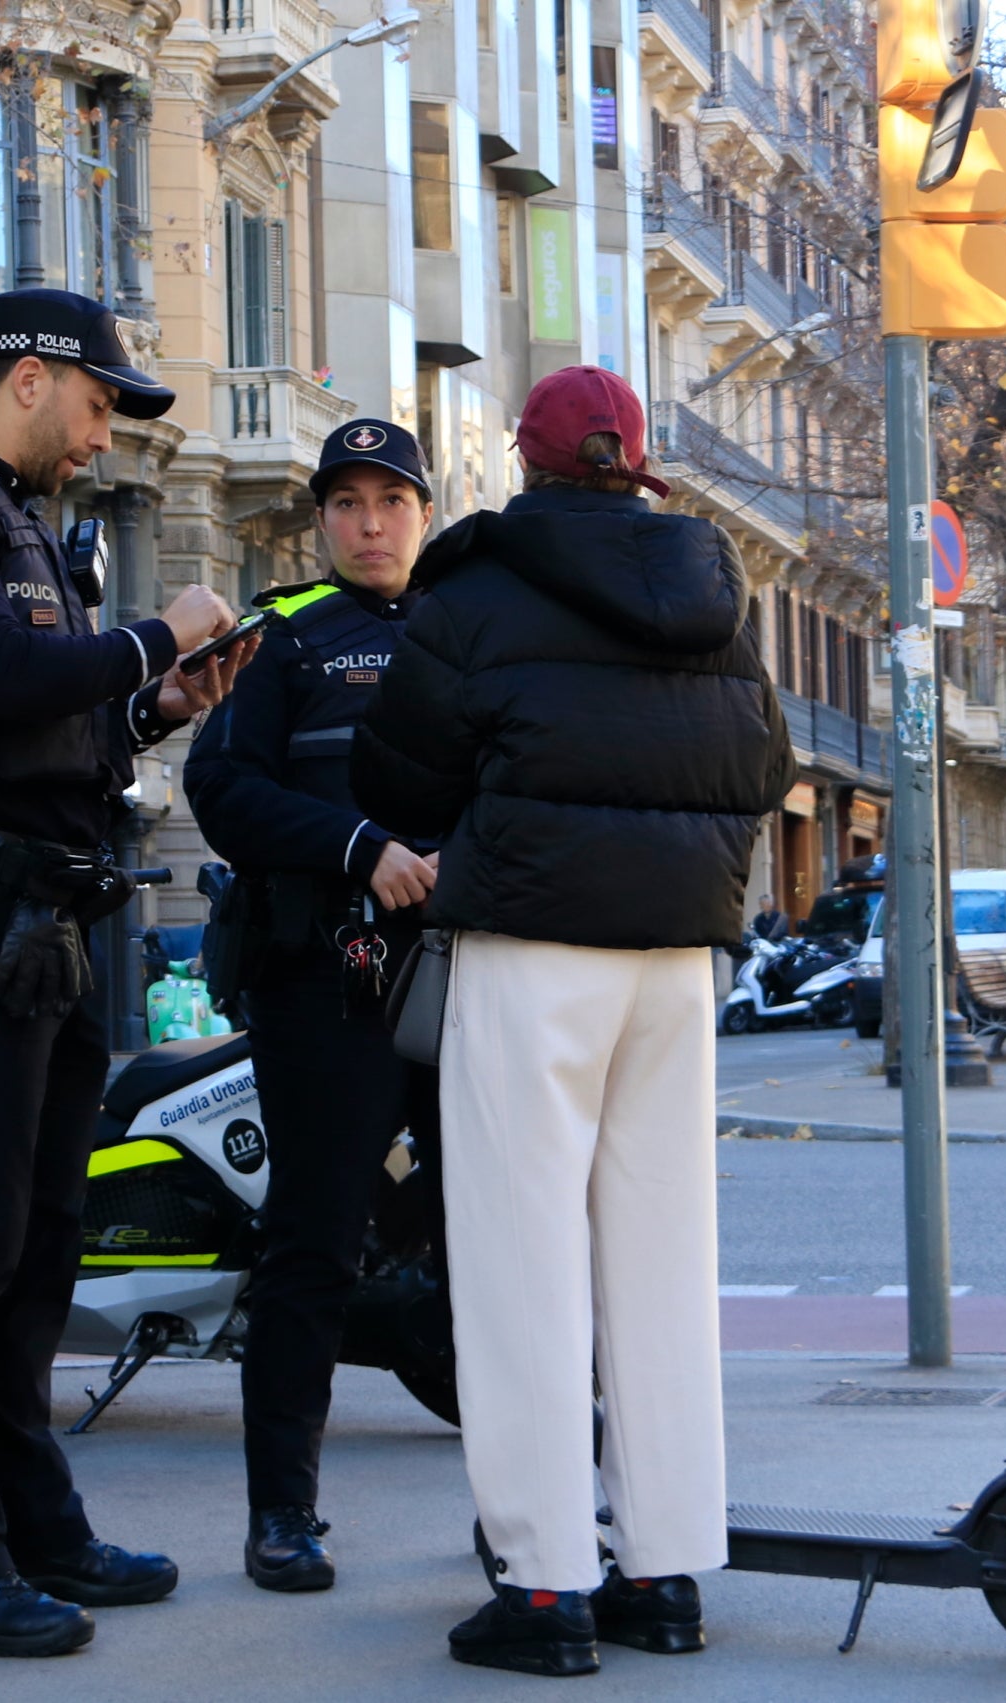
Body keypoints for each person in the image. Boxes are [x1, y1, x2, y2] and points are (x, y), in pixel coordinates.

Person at [351, 365, 796, 1675]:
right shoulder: (713, 590)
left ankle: (545, 1584)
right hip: (676, 959)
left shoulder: (479, 583)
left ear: (531, 469)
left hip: (533, 942)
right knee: (660, 1263)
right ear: (635, 466)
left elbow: (400, 766)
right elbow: (766, 763)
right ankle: (667, 1569)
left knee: (518, 1266)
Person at [0, 288, 252, 1658]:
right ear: (30, 380)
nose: (98, 441)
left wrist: (153, 707)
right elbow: (0, 677)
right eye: (94, 408)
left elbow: (54, 725)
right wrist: (160, 635)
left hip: (58, 921)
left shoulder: (22, 517)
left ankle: (34, 1522)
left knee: (35, 1242)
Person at [181, 418, 441, 1594]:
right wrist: (356, 845)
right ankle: (283, 1512)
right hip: (326, 982)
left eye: (391, 498)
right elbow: (220, 783)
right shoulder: (282, 635)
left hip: (468, 975)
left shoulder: (473, 625)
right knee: (314, 1245)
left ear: (424, 511)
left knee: (502, 1240)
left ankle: (539, 1508)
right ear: (323, 519)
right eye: (347, 502)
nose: (370, 521)